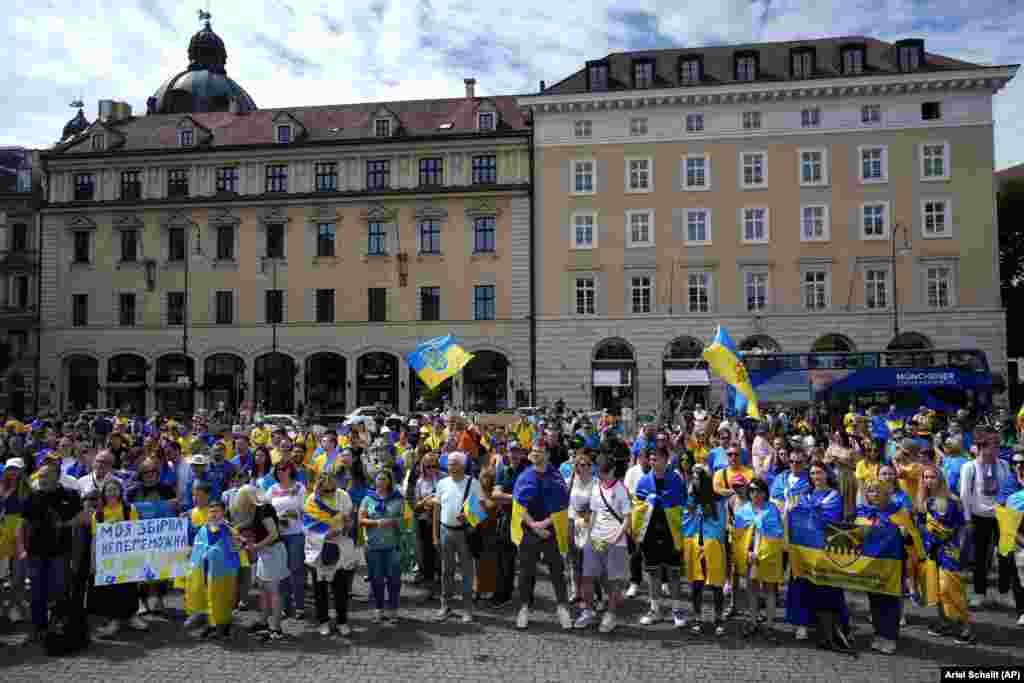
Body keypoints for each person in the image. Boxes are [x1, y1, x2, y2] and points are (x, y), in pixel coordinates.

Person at [785, 460, 853, 653]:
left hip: (825, 549)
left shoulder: (834, 496)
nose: (816, 476)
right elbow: (798, 518)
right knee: (802, 585)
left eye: (819, 473)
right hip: (805, 549)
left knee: (827, 589)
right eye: (813, 473)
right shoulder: (805, 496)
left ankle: (833, 627)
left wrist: (808, 513)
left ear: (827, 474)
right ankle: (802, 624)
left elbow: (832, 518)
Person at [17, 457, 84, 643]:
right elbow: (22, 526)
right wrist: (22, 549)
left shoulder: (70, 495)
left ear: (57, 477)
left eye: (46, 475)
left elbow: (83, 517)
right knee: (37, 592)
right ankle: (38, 628)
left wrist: (65, 524)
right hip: (35, 553)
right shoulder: (32, 497)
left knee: (59, 590)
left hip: (61, 553)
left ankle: (57, 626)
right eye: (41, 476)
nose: (42, 479)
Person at [512, 446, 572, 631]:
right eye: (534, 451)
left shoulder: (556, 477)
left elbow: (561, 505)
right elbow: (518, 504)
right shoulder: (524, 476)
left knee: (557, 571)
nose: (535, 454)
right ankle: (524, 608)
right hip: (529, 530)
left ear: (547, 455)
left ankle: (562, 607)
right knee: (526, 572)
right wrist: (534, 526)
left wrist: (545, 524)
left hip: (551, 529)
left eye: (540, 451)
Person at [916, 464, 976, 644]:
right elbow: (920, 523)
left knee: (951, 588)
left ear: (940, 478)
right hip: (931, 550)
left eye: (932, 477)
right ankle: (946, 622)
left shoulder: (951, 499)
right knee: (935, 588)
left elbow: (958, 527)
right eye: (925, 477)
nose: (928, 481)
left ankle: (966, 627)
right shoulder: (924, 500)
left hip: (949, 550)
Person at [959, 425, 1013, 608]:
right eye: (994, 443)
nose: (998, 447)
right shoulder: (969, 467)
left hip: (1001, 517)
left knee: (1005, 556)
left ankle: (1004, 592)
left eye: (998, 443)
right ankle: (979, 592)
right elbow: (965, 495)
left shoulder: (1004, 465)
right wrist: (967, 519)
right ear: (982, 445)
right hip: (978, 517)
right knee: (980, 557)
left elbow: (1007, 491)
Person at [633, 448, 686, 627]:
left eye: (657, 459)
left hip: (672, 532)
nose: (653, 462)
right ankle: (655, 609)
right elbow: (637, 506)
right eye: (651, 459)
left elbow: (683, 505)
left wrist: (666, 505)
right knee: (653, 573)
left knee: (674, 573)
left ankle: (677, 610)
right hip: (650, 533)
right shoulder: (643, 481)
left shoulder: (676, 480)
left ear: (666, 460)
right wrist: (647, 504)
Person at [304, 468, 357, 637]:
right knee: (320, 588)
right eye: (326, 491)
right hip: (319, 548)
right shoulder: (312, 500)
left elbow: (349, 519)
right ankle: (323, 621)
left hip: (339, 547)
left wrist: (348, 524)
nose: (330, 493)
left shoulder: (342, 495)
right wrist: (325, 534)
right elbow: (307, 526)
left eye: (332, 489)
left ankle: (342, 621)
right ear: (319, 488)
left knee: (340, 588)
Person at [854, 480, 905, 654]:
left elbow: (911, 536)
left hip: (892, 564)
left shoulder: (898, 511)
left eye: (877, 491)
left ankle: (890, 637)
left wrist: (903, 532)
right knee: (874, 601)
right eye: (870, 491)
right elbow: (856, 536)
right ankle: (878, 634)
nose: (873, 494)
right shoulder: (863, 512)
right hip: (871, 564)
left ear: (886, 493)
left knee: (890, 601)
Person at [233, 484, 289, 641]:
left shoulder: (263, 509)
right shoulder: (257, 510)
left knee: (273, 591)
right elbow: (253, 526)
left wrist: (255, 547)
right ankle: (264, 623)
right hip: (266, 553)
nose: (240, 504)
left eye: (241, 500)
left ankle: (276, 628)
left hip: (274, 552)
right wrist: (237, 530)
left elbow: (273, 534)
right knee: (264, 590)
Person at [432, 451, 481, 623]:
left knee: (467, 572)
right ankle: (445, 605)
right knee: (447, 571)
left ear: (462, 465)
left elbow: (479, 511)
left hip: (464, 533)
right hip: (445, 531)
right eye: (449, 463)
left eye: (454, 463)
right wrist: (435, 535)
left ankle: (467, 608)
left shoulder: (473, 483)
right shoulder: (442, 483)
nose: (451, 466)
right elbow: (437, 510)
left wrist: (468, 517)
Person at [682, 465, 727, 634]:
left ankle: (718, 618)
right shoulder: (690, 498)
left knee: (716, 584)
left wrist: (703, 512)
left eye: (697, 478)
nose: (695, 481)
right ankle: (697, 618)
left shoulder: (717, 500)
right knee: (696, 584)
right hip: (694, 542)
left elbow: (720, 523)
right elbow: (686, 519)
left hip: (712, 544)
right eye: (693, 478)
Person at [737, 478, 784, 641]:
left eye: (759, 491)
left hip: (768, 555)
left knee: (769, 590)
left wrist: (762, 552)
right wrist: (748, 552)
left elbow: (777, 534)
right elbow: (739, 536)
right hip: (750, 556)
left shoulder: (772, 509)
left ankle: (769, 625)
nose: (755, 494)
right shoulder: (743, 511)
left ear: (765, 493)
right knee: (752, 589)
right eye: (752, 491)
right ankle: (752, 621)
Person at [188, 499, 240, 639]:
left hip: (228, 569)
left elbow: (237, 547)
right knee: (212, 598)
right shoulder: (204, 529)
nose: (213, 514)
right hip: (210, 570)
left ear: (223, 513)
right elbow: (198, 546)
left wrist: (235, 540)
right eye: (211, 511)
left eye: (217, 511)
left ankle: (225, 625)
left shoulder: (229, 529)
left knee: (227, 598)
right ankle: (214, 625)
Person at [360, 469, 404, 623]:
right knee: (376, 579)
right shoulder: (368, 499)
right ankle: (378, 609)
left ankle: (393, 610)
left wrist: (395, 522)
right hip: (373, 546)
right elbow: (361, 520)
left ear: (390, 481)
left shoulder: (398, 499)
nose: (381, 481)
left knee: (394, 580)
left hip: (392, 545)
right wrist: (377, 523)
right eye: (378, 478)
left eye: (384, 479)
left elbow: (406, 521)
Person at [267, 460, 307, 621]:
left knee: (296, 569)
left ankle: (299, 606)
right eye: (278, 469)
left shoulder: (299, 487)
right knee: (281, 571)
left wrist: (290, 515)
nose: (281, 472)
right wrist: (276, 519)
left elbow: (303, 509)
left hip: (295, 533)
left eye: (284, 469)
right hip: (277, 535)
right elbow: (266, 509)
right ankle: (284, 606)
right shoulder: (272, 489)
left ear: (291, 470)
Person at [490, 440, 528, 608]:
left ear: (522, 453)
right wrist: (514, 498)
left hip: (524, 520)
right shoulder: (503, 471)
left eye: (517, 451)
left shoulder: (528, 472)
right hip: (506, 518)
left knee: (525, 560)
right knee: (504, 557)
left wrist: (505, 497)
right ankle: (503, 593)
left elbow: (526, 497)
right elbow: (495, 494)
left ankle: (525, 596)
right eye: (511, 451)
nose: (514, 454)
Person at [1, 457, 30, 624]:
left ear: (22, 471)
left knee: (19, 574)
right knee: (5, 574)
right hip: (4, 532)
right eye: (10, 469)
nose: (12, 472)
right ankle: (10, 606)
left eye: (16, 469)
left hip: (22, 531)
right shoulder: (1, 487)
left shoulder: (28, 489)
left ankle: (16, 605)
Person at [566, 449, 596, 605]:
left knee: (589, 560)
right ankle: (575, 591)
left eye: (587, 465)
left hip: (588, 524)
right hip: (572, 521)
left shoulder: (595, 482)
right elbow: (565, 498)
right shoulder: (571, 480)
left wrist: (587, 514)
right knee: (573, 559)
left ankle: (591, 593)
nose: (584, 467)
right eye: (580, 464)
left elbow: (598, 504)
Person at [474, 466, 500, 601]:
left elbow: (493, 513)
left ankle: (489, 589)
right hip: (477, 531)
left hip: (490, 532)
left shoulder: (495, 493)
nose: (485, 480)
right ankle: (477, 589)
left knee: (490, 562)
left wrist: (482, 508)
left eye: (488, 477)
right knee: (477, 563)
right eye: (483, 476)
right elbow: (472, 514)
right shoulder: (476, 492)